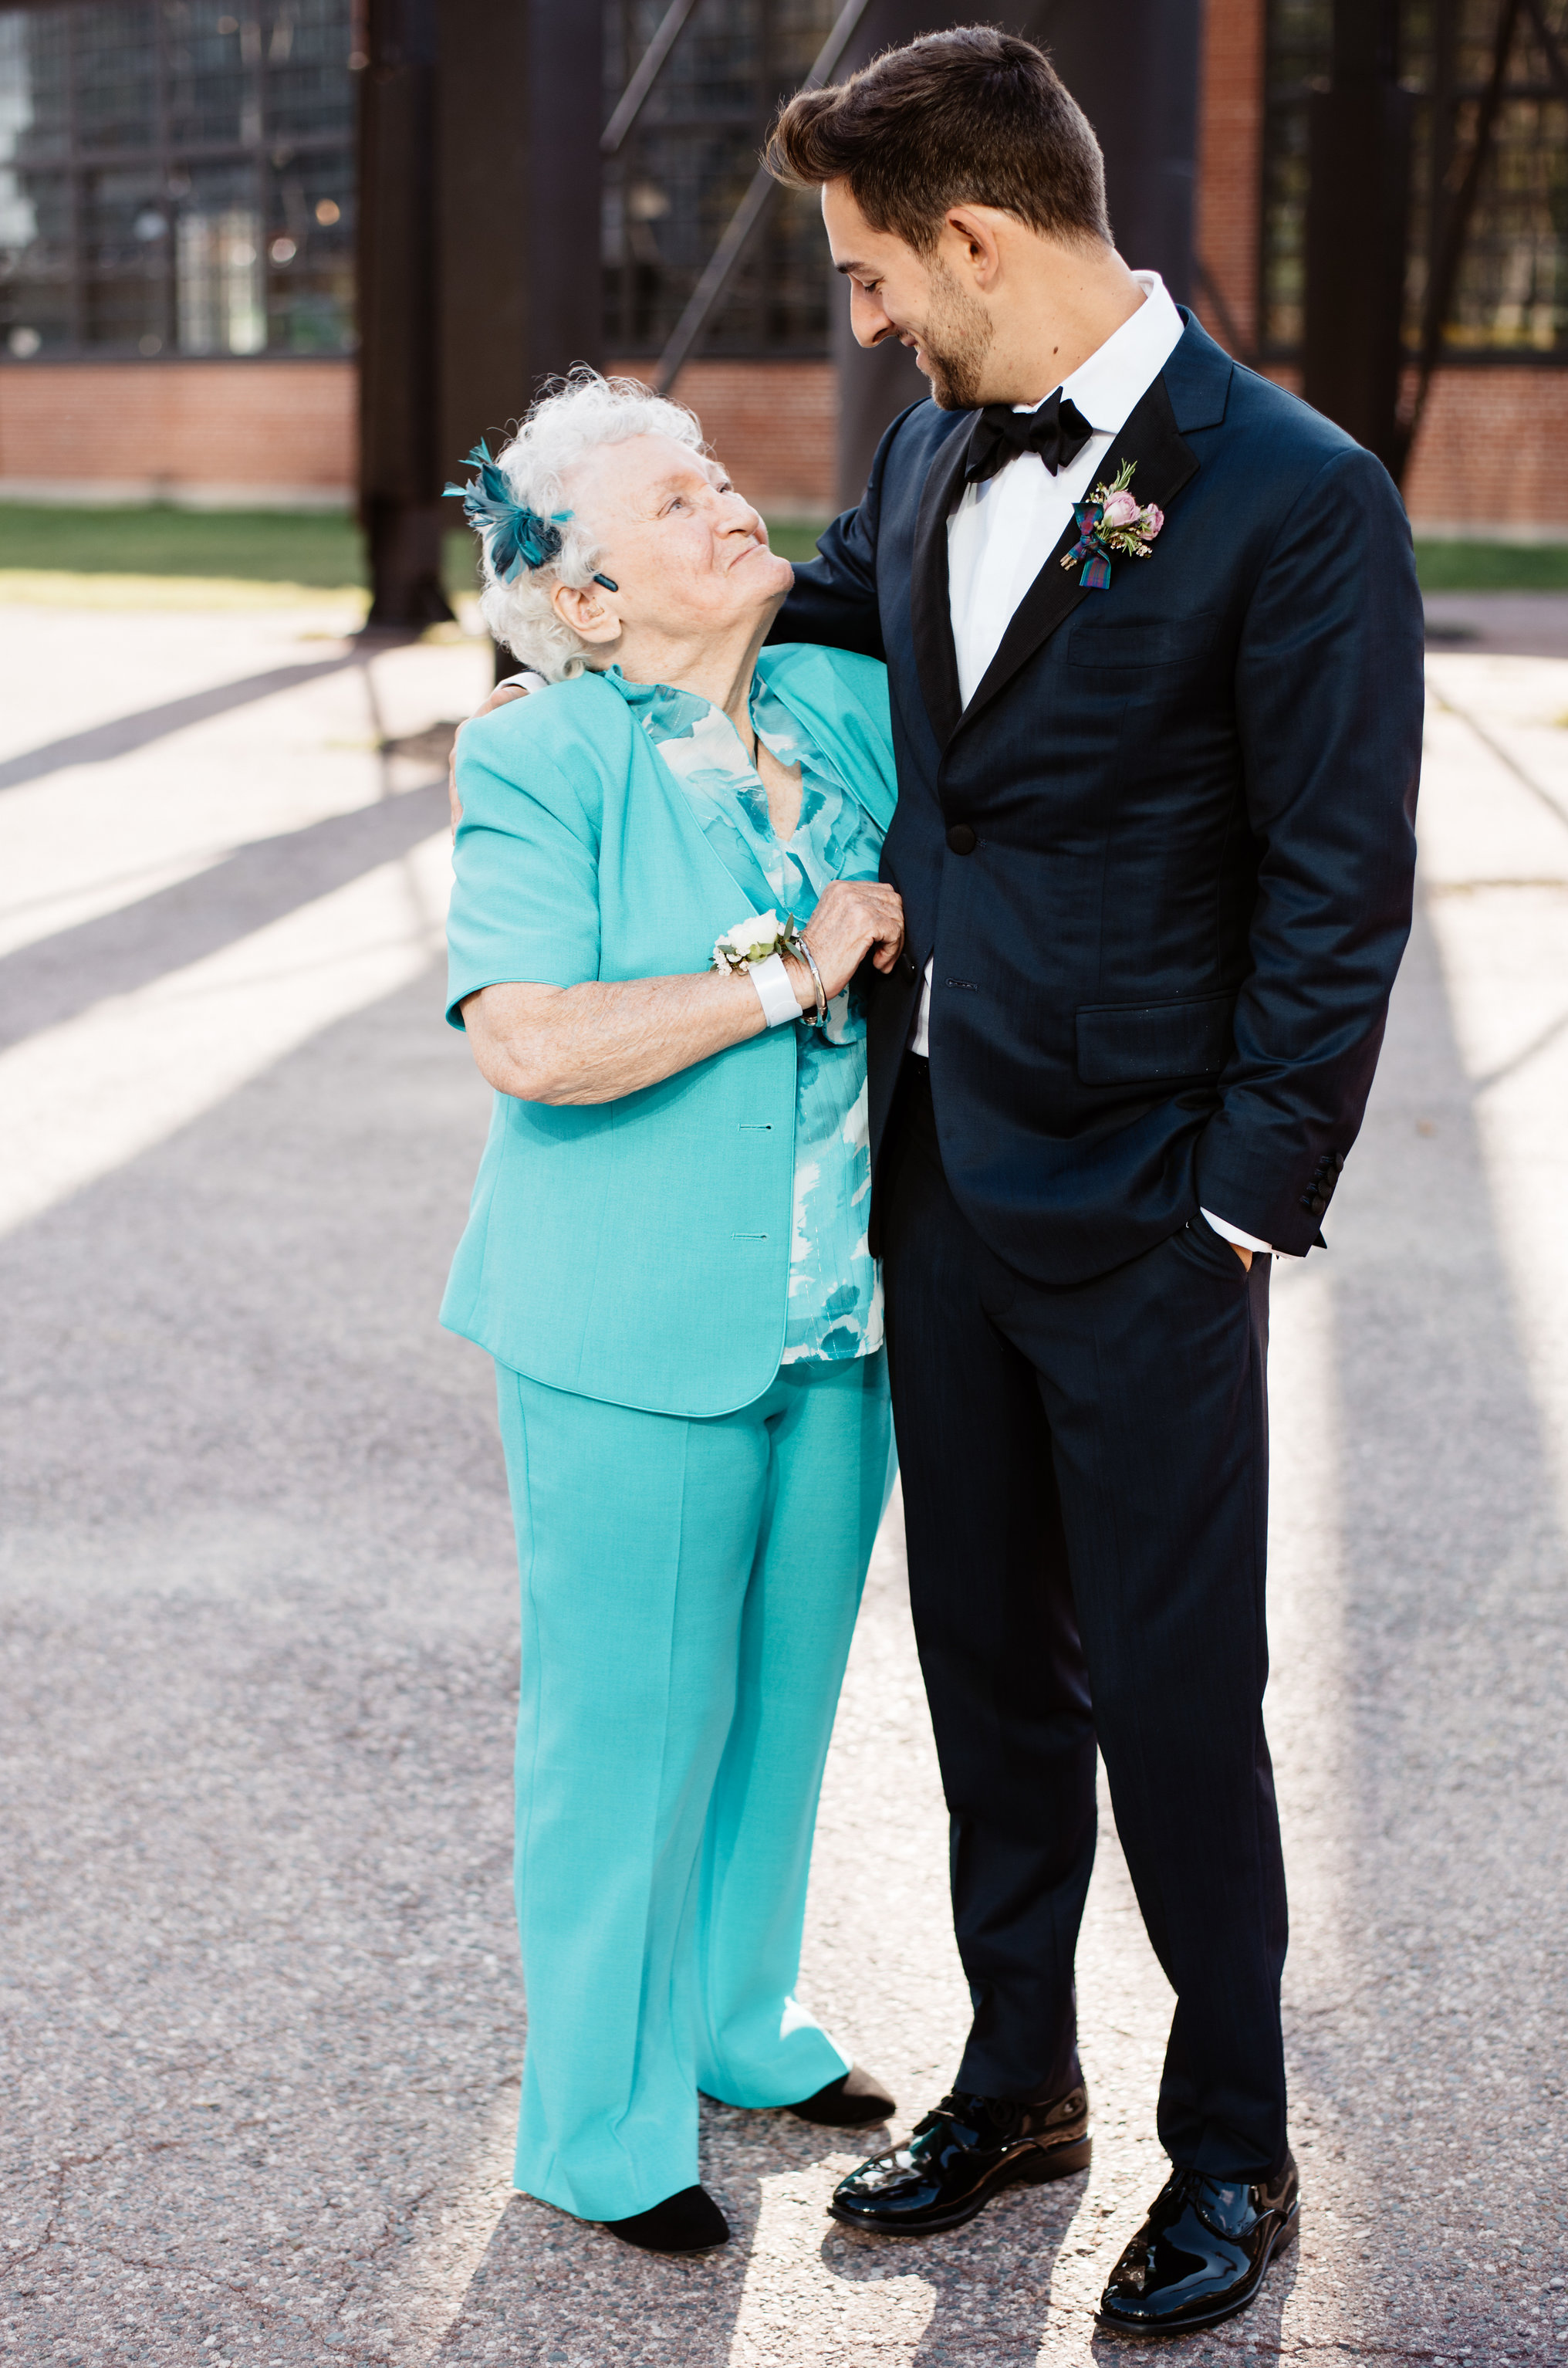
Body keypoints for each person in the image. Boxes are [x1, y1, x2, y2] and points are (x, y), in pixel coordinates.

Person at [762, 29, 1424, 2337]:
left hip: (1156, 1206)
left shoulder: (1293, 490)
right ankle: (1020, 2073)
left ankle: (1231, 2146)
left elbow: (1339, 882)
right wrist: (596, 593)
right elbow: (839, 625)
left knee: (1171, 1687)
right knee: (984, 1675)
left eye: (868, 276)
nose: (865, 327)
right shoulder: (932, 441)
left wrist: (1243, 1202)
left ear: (978, 233)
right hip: (943, 1169)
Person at [440, 372, 906, 2255]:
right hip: (624, 1325)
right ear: (592, 598)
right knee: (627, 1729)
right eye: (678, 495)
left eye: (720, 472)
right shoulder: (541, 757)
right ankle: (597, 2122)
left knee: (787, 1704)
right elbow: (533, 1038)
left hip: (847, 1318)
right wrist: (782, 964)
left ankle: (737, 2015)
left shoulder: (843, 704)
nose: (730, 501)